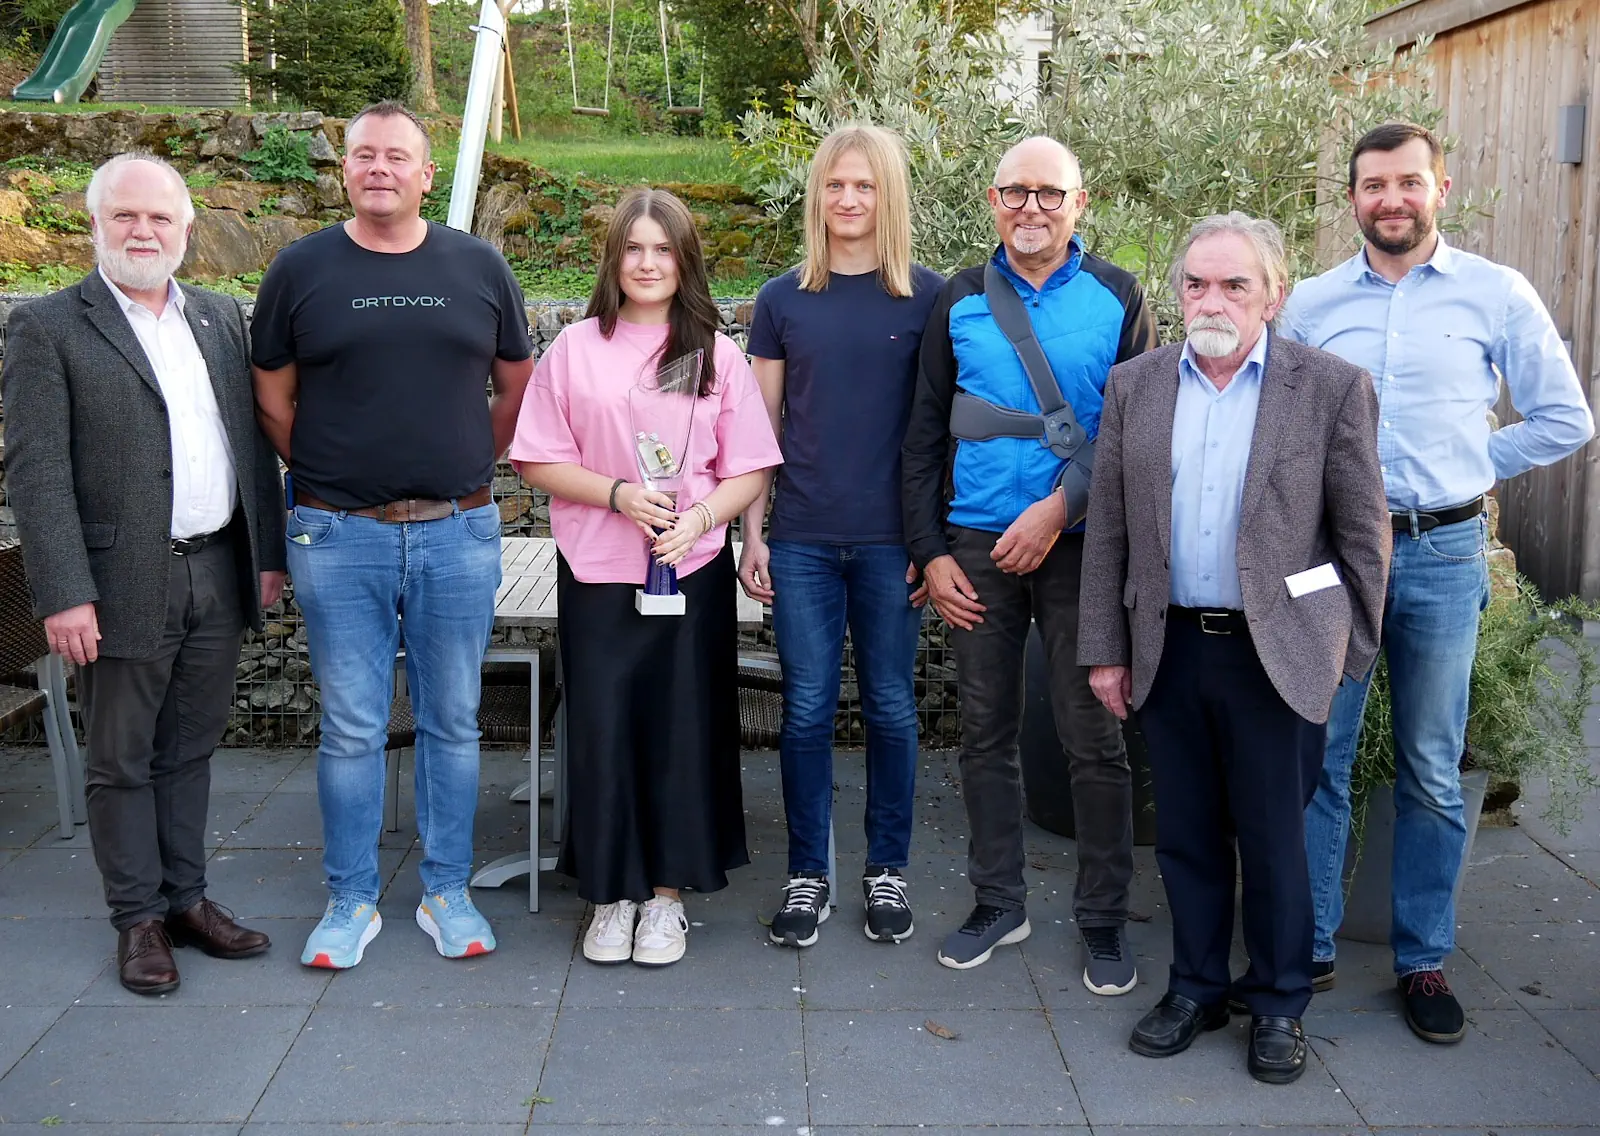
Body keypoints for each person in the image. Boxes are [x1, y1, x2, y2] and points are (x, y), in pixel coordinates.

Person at [1284, 123, 1595, 1044]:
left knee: (1430, 764)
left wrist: (1469, 462)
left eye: (1408, 182)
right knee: (1319, 758)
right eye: (1373, 184)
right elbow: (1281, 427)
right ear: (1351, 198)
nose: (1392, 199)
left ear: (1441, 190)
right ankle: (1306, 948)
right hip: (1331, 562)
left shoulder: (1496, 293)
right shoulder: (1310, 301)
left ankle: (1422, 959)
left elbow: (1564, 418)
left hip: (1441, 554)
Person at [1079, 212, 1390, 1083]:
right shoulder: (1137, 385)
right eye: (1195, 283)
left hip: (1277, 653)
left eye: (1233, 284)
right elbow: (1109, 531)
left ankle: (1281, 1000)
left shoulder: (1328, 387)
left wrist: (1345, 650)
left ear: (1273, 293)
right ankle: (1196, 986)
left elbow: (1363, 536)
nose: (1210, 300)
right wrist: (1107, 649)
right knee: (1183, 836)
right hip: (1168, 647)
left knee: (1273, 839)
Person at [251, 101, 534, 969]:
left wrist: (463, 471)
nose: (380, 167)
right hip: (337, 537)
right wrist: (336, 475)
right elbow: (271, 397)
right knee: (350, 726)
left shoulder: (478, 265)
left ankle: (445, 892)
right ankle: (351, 901)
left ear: (425, 171)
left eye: (396, 156)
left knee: (452, 720)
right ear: (345, 170)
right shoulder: (299, 270)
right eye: (363, 154)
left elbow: (517, 388)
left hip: (457, 533)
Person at [2, 153, 285, 995]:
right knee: (121, 759)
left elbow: (250, 444)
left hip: (214, 570)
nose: (142, 231)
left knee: (190, 750)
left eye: (160, 218)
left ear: (187, 231)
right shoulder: (48, 326)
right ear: (94, 225)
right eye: (124, 216)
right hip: (118, 583)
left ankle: (187, 899)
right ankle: (138, 921)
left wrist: (263, 554)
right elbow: (36, 472)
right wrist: (64, 592)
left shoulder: (218, 319)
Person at [901, 136, 1155, 983]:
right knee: (984, 731)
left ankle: (1104, 918)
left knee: (1095, 737)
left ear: (1080, 203)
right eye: (1017, 192)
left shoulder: (1119, 296)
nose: (1032, 209)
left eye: (1051, 194)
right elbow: (924, 433)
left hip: (1083, 545)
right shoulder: (959, 299)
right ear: (992, 198)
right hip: (974, 546)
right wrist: (931, 553)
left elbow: (1135, 437)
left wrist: (1057, 510)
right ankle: (999, 903)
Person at [511, 188, 782, 968]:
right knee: (602, 728)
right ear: (614, 258)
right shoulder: (574, 349)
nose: (648, 262)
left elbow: (751, 467)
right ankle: (609, 895)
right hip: (599, 572)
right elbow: (534, 456)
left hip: (687, 571)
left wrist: (699, 522)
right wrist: (619, 495)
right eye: (634, 247)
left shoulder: (716, 354)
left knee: (682, 730)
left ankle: (665, 898)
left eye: (664, 248)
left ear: (685, 258)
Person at [737, 124, 944, 948]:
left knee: (893, 707)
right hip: (802, 541)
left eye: (863, 186)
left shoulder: (929, 298)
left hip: (895, 543)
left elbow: (943, 436)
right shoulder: (783, 299)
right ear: (817, 196)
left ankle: (885, 871)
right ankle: (807, 876)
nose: (847, 200)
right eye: (834, 186)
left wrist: (934, 547)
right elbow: (758, 431)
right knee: (808, 711)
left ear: (887, 195)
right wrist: (752, 536)